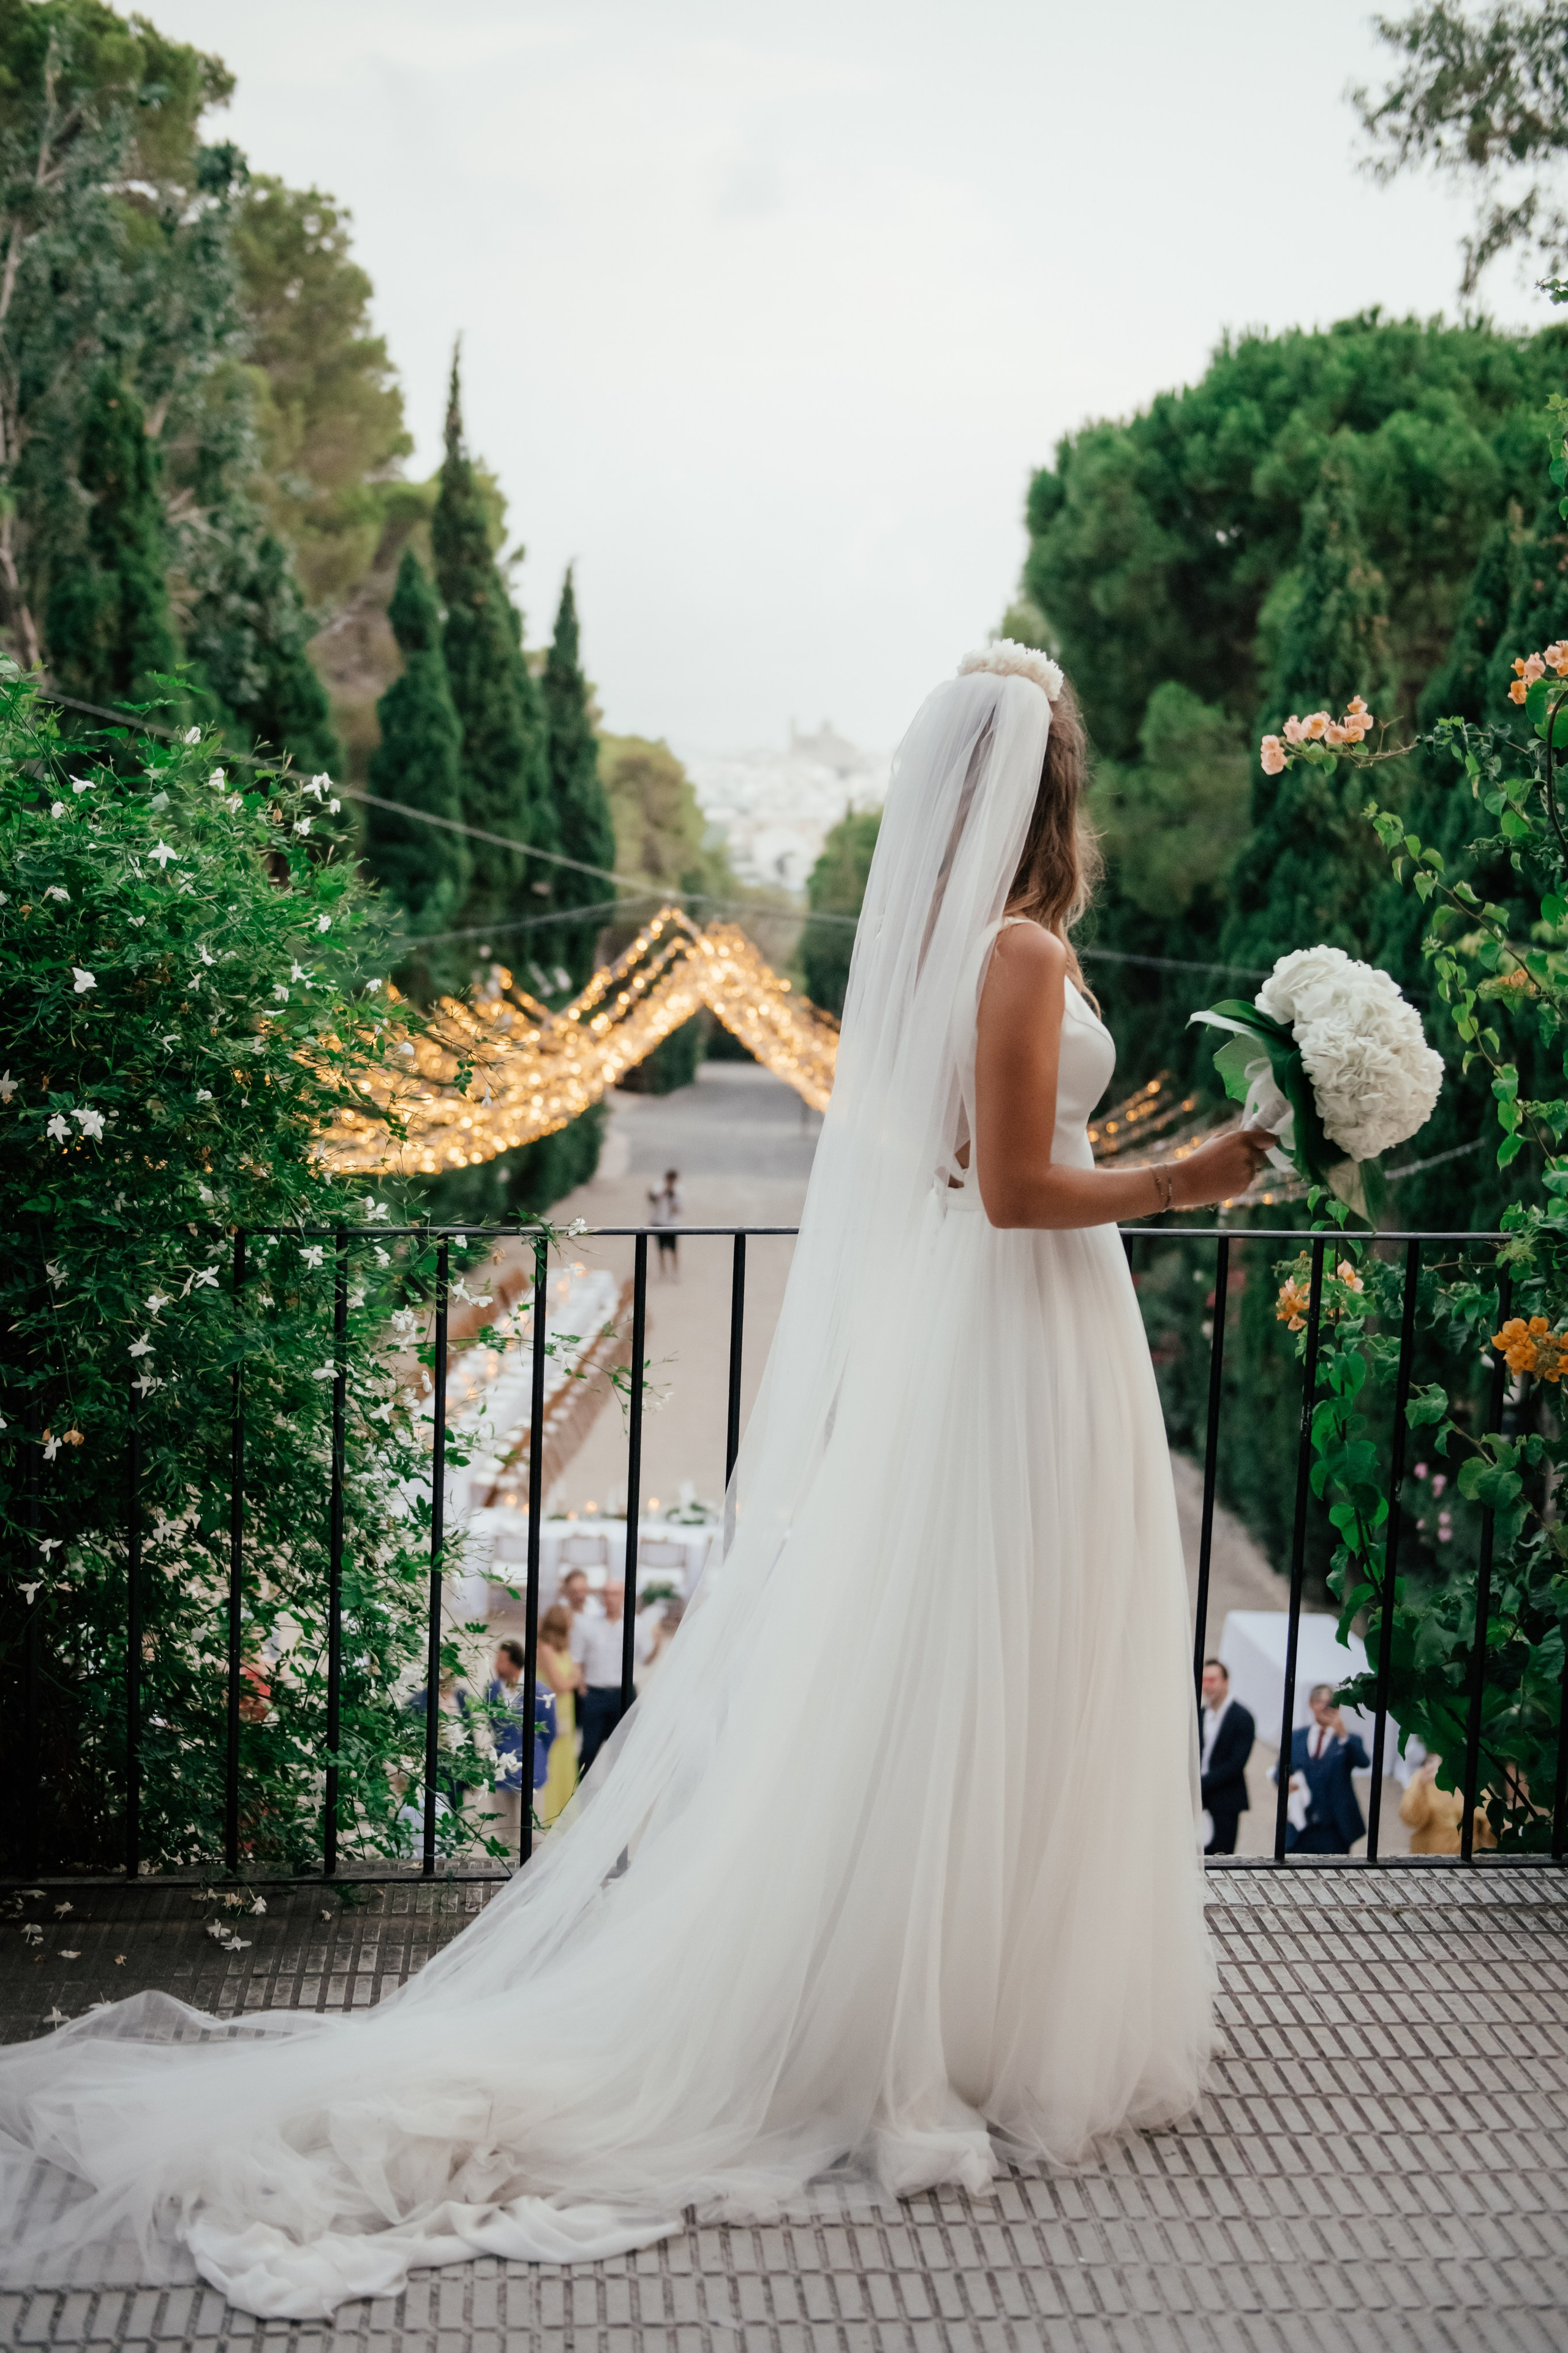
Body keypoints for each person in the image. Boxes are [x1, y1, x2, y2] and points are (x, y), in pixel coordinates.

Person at [0, 643, 1275, 2316]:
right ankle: (962, 2017)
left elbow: (975, 1161)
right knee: (1014, 1648)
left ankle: (967, 1994)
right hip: (1025, 1322)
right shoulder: (1021, 948)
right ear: (1055, 786)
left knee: (978, 1655)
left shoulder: (966, 946)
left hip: (1007, 1329)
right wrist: (1199, 1172)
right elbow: (1021, 1189)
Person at [485, 1641, 556, 1859]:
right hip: (501, 1767)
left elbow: (550, 1731)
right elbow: (493, 1724)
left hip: (530, 1768)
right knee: (504, 1830)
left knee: (532, 1831)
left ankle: (535, 1869)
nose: (497, 1665)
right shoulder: (493, 1691)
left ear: (514, 1663)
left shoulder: (539, 1692)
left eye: (501, 1660)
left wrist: (539, 1756)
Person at [576, 1581, 654, 1775]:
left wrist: (658, 1643)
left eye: (614, 1594)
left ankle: (615, 1791)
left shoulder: (637, 1624)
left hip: (623, 1693)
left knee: (622, 1750)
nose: (609, 1598)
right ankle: (580, 1789)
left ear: (623, 1597)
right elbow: (578, 1659)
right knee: (589, 1748)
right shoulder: (588, 1624)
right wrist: (581, 1686)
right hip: (595, 1693)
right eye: (606, 1594)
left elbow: (646, 1658)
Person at [1281, 1685, 1370, 1854]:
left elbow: (1364, 1762)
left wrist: (1343, 1734)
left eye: (1331, 1704)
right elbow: (1280, 1771)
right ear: (1311, 1704)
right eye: (1320, 1702)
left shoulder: (1349, 1739)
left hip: (1334, 1828)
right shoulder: (1297, 1737)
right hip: (1300, 1827)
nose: (1325, 1708)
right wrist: (1286, 1781)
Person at [1198, 1659, 1254, 1856]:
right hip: (1197, 1801)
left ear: (1226, 1681)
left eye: (1212, 1680)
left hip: (1225, 1801)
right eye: (1204, 1680)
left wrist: (1201, 1783)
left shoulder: (1242, 1717)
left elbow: (1236, 1763)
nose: (1207, 1685)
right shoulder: (1199, 1714)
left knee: (1221, 1859)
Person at [536, 1606, 582, 1827]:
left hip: (566, 1710)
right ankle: (551, 1815)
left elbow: (573, 1678)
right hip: (552, 1710)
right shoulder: (544, 1649)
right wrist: (574, 1679)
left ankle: (567, 1813)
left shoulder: (563, 1648)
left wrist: (573, 1679)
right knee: (553, 1761)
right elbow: (560, 1684)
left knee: (565, 1760)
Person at [1398, 1753, 1496, 1855]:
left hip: (1466, 1858)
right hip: (1427, 1857)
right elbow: (1410, 1819)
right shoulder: (1425, 1779)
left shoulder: (1478, 1785)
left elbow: (1491, 1832)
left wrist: (1499, 1828)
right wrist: (1420, 1784)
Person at [647, 1167, 682, 1278]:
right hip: (659, 1221)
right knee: (661, 1249)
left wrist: (673, 1198)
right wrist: (665, 1192)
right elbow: (652, 1199)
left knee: (674, 1249)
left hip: (672, 1224)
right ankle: (663, 1271)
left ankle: (675, 1271)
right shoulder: (658, 1186)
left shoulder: (679, 1190)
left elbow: (679, 1208)